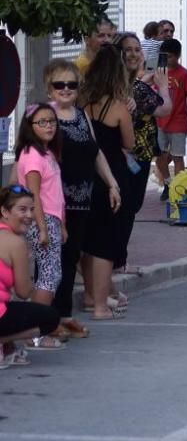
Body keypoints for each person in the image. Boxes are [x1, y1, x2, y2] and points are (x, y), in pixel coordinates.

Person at [49, 60, 122, 338]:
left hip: (82, 199)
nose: (66, 90)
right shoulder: (45, 116)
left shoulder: (81, 116)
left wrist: (112, 183)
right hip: (56, 202)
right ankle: (48, 321)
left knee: (71, 257)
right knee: (54, 261)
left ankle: (64, 317)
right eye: (60, 85)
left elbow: (96, 152)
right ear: (50, 89)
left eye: (72, 85)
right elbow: (30, 157)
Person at [80, 45, 135, 321]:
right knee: (106, 242)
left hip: (85, 174)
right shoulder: (118, 107)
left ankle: (90, 294)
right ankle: (101, 302)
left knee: (87, 239)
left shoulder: (82, 104)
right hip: (112, 172)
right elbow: (129, 143)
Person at [116, 32, 171, 259]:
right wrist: (164, 86)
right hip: (132, 155)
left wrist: (145, 81)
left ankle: (118, 258)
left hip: (135, 155)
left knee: (127, 208)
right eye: (128, 49)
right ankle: (118, 259)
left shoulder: (129, 85)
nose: (134, 54)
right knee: (128, 208)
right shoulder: (135, 89)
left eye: (137, 49)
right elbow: (164, 108)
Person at [0, 185, 64, 367]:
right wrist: (26, 263)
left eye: (32, 210)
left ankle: (7, 346)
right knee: (50, 318)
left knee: (10, 308)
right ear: (4, 211)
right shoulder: (15, 243)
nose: (29, 216)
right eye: (22, 209)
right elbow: (24, 292)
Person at [14, 104, 65, 328]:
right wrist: (43, 228)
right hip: (41, 221)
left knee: (52, 274)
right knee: (48, 276)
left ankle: (36, 329)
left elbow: (55, 194)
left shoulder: (46, 152)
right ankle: (37, 331)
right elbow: (34, 196)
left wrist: (61, 225)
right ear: (30, 126)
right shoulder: (33, 155)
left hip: (52, 220)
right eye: (42, 122)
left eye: (52, 121)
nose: (49, 126)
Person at [155, 38, 187, 200]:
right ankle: (168, 184)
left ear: (178, 56)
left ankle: (180, 190)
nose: (168, 60)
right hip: (160, 122)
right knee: (160, 157)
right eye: (165, 56)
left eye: (171, 57)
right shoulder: (158, 73)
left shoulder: (184, 74)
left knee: (177, 157)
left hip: (179, 122)